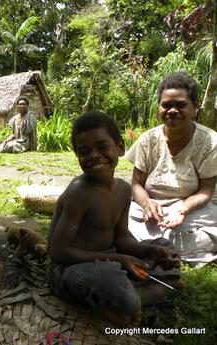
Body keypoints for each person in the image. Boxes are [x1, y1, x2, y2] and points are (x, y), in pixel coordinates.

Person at [47, 111, 181, 326]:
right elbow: (57, 252)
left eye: (101, 147)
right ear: (77, 156)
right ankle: (133, 298)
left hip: (110, 260)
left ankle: (121, 299)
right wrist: (119, 260)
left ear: (120, 148)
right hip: (70, 269)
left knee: (166, 246)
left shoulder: (123, 190)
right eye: (84, 151)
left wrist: (154, 252)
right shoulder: (79, 192)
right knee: (108, 279)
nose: (93, 155)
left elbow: (121, 241)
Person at [126, 72, 217, 265]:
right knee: (119, 215)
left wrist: (182, 209)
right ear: (159, 107)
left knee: (210, 221)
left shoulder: (210, 142)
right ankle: (168, 247)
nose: (172, 110)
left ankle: (146, 246)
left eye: (181, 105)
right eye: (166, 105)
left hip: (193, 209)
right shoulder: (147, 140)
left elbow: (206, 191)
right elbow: (136, 185)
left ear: (194, 106)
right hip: (151, 210)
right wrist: (147, 204)